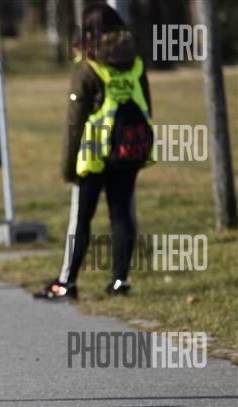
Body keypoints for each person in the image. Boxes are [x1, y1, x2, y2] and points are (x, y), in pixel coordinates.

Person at [34, 3, 154, 301]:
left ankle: (67, 283)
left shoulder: (88, 67)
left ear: (89, 32)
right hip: (127, 150)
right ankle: (120, 282)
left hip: (93, 155)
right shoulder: (135, 62)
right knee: (122, 214)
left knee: (81, 218)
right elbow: (147, 107)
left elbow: (74, 123)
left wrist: (68, 166)